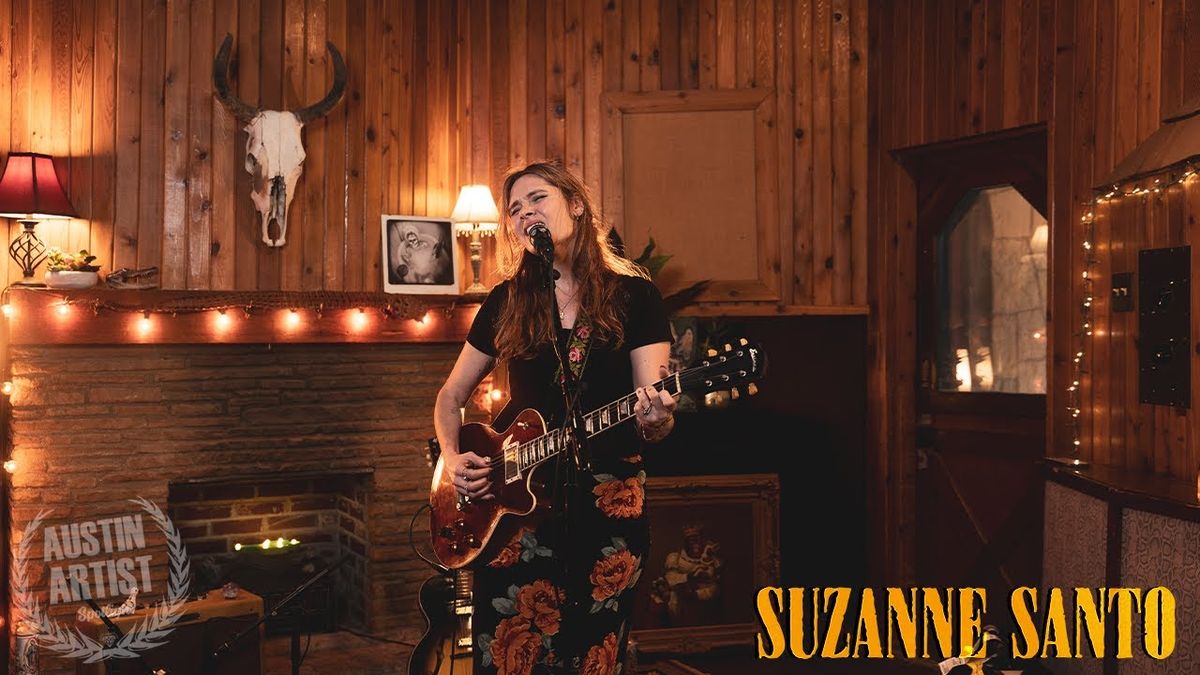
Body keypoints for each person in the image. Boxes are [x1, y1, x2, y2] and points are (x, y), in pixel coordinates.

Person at [433, 160, 677, 674]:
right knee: (509, 652)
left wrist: (656, 417)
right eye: (514, 210)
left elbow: (653, 416)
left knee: (594, 651)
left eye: (537, 199)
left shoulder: (635, 297)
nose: (525, 214)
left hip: (608, 501)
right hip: (514, 509)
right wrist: (453, 459)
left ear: (576, 205)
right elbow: (450, 395)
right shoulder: (506, 301)